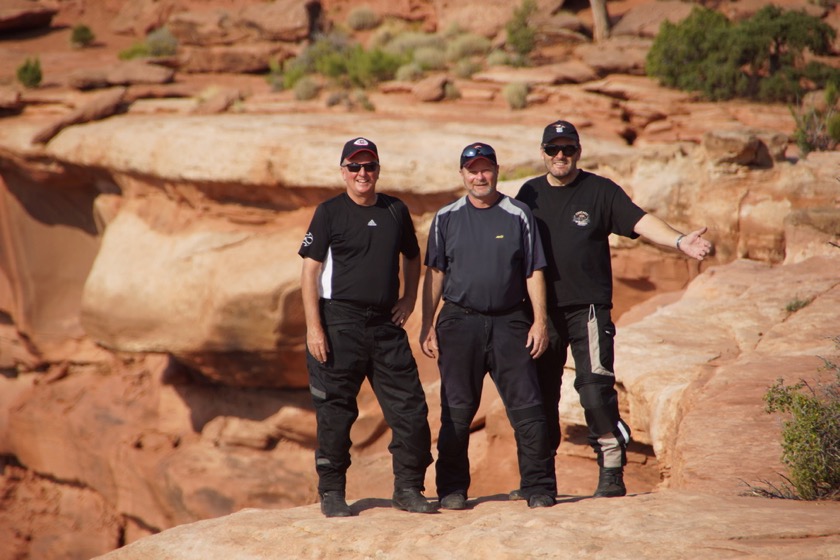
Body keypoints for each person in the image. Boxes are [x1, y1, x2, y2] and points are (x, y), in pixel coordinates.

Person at [514, 120, 713, 498]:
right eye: (553, 149)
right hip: (542, 312)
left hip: (587, 310)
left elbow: (639, 221)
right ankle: (539, 480)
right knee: (539, 396)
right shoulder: (529, 194)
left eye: (568, 149)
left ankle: (611, 468)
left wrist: (678, 240)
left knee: (594, 391)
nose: (560, 156)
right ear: (542, 153)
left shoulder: (599, 191)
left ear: (578, 152)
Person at [299, 137, 435, 517]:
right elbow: (309, 272)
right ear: (343, 171)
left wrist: (408, 299)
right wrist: (315, 328)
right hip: (338, 322)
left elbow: (413, 255)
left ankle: (408, 489)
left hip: (384, 325)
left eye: (369, 166)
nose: (363, 174)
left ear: (378, 170)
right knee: (335, 411)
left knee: (410, 409)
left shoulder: (395, 210)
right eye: (355, 167)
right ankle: (332, 493)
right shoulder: (329, 212)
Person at [420, 142, 557, 510]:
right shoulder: (446, 216)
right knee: (457, 410)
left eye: (485, 169)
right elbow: (434, 273)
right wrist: (426, 325)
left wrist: (539, 321)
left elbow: (534, 271)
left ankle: (538, 486)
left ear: (496, 171)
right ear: (462, 174)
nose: (479, 176)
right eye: (472, 170)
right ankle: (451, 489)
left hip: (511, 320)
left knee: (528, 406)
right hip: (459, 320)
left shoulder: (518, 214)